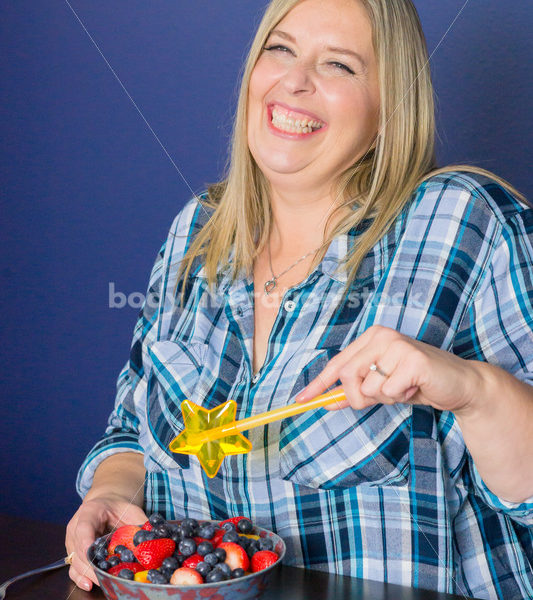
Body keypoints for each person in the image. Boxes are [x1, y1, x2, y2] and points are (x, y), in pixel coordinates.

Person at [66, 0, 533, 598]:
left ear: (390, 108)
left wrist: (473, 389)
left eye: (339, 65)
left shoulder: (460, 220)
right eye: (280, 49)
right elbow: (132, 431)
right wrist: (109, 494)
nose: (295, 80)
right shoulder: (197, 232)